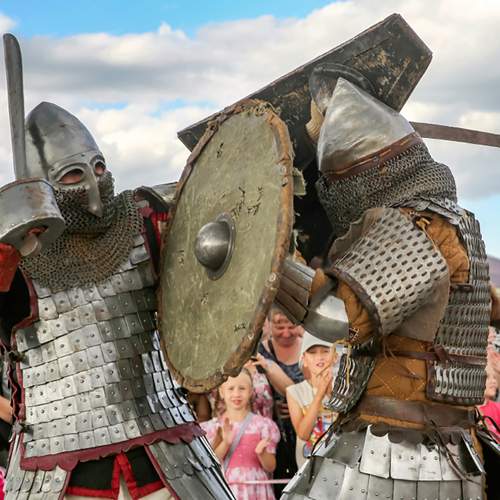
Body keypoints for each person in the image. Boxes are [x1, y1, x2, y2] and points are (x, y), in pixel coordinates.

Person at [0, 103, 234, 499]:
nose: (93, 184)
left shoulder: (144, 220)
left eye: (99, 167)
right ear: (43, 185)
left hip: (165, 447)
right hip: (59, 466)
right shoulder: (15, 261)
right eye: (74, 174)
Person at [282, 74, 490, 498]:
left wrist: (268, 267)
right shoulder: (461, 224)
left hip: (401, 449)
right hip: (427, 439)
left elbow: (339, 317)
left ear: (369, 177)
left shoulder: (420, 224)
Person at [202, 369, 280, 500]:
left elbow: (271, 467)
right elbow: (211, 464)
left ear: (250, 391)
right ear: (222, 392)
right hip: (227, 491)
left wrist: (261, 453)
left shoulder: (263, 426)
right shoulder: (211, 427)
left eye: (242, 388)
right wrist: (225, 443)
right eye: (231, 388)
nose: (236, 394)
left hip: (256, 491)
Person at [257, 307, 304, 495]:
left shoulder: (310, 350)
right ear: (268, 324)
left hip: (303, 431)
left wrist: (295, 404)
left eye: (291, 326)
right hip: (273, 434)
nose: (286, 333)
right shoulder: (260, 352)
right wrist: (269, 403)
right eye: (279, 326)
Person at [286, 332, 337, 468]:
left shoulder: (345, 389)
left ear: (335, 356)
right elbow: (303, 434)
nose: (319, 357)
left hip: (340, 463)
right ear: (304, 359)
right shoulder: (295, 392)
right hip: (310, 467)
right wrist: (320, 394)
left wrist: (331, 393)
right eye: (312, 352)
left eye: (325, 351)